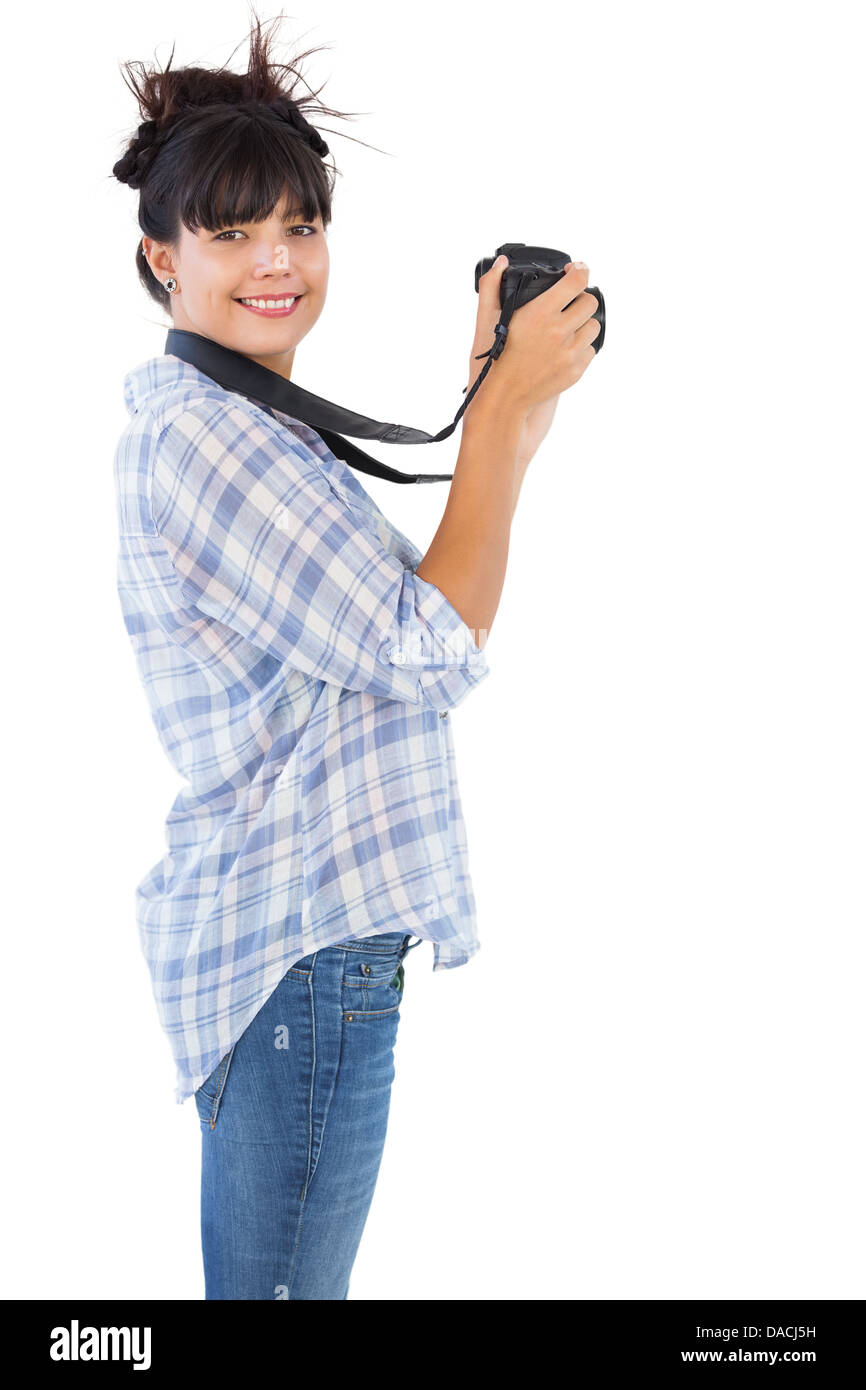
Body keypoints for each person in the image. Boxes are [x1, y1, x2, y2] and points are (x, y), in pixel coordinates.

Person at [111, 12, 600, 1300]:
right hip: (299, 950)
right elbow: (430, 646)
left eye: (301, 228)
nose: (277, 263)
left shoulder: (247, 425)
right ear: (162, 260)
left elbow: (428, 598)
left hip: (297, 950)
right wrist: (495, 408)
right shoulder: (209, 438)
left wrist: (515, 389)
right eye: (230, 235)